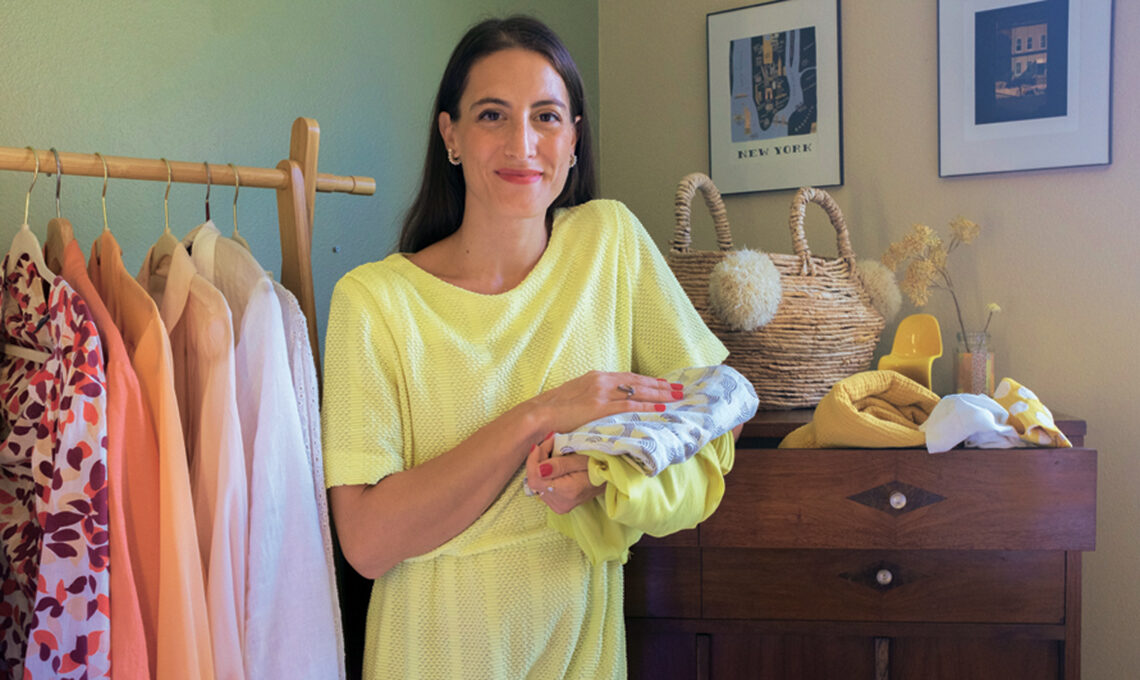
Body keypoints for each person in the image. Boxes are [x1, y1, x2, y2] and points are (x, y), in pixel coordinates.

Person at [322, 15, 740, 679]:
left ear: (574, 140)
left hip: (581, 648)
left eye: (546, 117)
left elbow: (715, 424)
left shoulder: (610, 243)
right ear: (450, 135)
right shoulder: (373, 301)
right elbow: (368, 544)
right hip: (431, 652)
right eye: (492, 115)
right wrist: (540, 417)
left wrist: (610, 478)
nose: (522, 144)